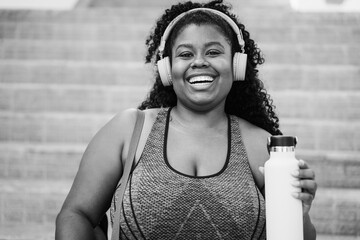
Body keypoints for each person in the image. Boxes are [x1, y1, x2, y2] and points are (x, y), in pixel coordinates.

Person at [55, 0, 317, 239]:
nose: (199, 62)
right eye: (185, 54)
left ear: (237, 65)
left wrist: (299, 213)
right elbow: (75, 215)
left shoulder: (261, 146)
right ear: (167, 69)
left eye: (214, 52)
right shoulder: (128, 130)